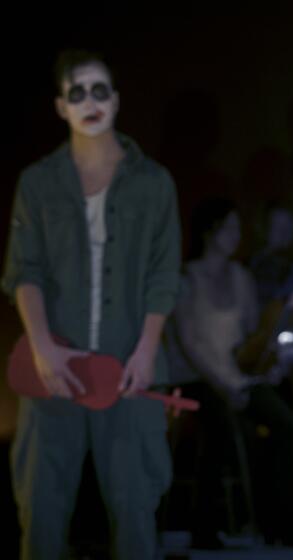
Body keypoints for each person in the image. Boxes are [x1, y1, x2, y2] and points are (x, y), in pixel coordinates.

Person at [2, 50, 181, 559]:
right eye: (77, 92)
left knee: (135, 513)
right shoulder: (37, 183)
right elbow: (24, 270)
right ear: (61, 107)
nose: (90, 101)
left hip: (129, 370)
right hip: (53, 369)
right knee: (40, 510)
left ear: (116, 100)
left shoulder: (153, 183)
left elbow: (164, 274)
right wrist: (41, 348)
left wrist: (146, 352)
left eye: (99, 90)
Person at [173, 198, 293, 546]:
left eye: (237, 228)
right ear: (211, 231)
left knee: (284, 424)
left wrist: (265, 355)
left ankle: (277, 525)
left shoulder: (240, 277)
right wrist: (221, 383)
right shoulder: (188, 277)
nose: (235, 235)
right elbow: (189, 341)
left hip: (237, 376)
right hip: (199, 378)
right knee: (220, 426)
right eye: (229, 227)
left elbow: (249, 334)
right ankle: (205, 527)